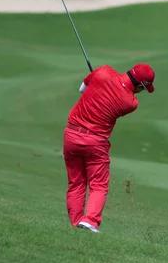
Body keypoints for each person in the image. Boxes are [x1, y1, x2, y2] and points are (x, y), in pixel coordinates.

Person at [63, 63, 155, 233]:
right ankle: (90, 220)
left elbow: (82, 89)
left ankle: (76, 224)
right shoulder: (130, 102)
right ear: (140, 85)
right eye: (144, 88)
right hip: (95, 142)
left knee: (76, 183)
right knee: (98, 185)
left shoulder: (103, 71)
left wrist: (98, 81)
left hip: (71, 134)